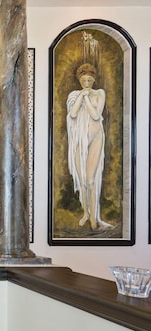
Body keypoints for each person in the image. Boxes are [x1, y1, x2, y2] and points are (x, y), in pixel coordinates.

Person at [66, 63, 112, 231]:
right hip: (79, 139)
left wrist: (86, 97)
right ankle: (86, 212)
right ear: (79, 80)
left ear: (94, 80)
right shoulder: (74, 95)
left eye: (90, 80)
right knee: (82, 178)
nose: (87, 83)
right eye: (84, 80)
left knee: (91, 179)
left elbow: (95, 115)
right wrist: (81, 96)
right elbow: (72, 114)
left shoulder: (99, 93)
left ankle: (94, 218)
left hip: (96, 137)